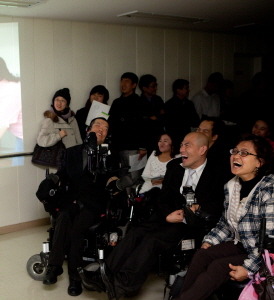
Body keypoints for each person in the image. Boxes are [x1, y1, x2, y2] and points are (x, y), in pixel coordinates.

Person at [80, 132, 226, 299]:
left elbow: (219, 204)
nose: (182, 149)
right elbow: (162, 198)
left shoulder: (217, 172)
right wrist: (167, 215)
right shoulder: (174, 166)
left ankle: (121, 284)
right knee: (135, 232)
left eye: (187, 145)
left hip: (192, 224)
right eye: (182, 145)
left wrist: (199, 209)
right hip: (168, 216)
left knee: (152, 240)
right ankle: (103, 274)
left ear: (202, 150)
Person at [175, 134, 274, 300]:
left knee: (217, 267)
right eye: (235, 151)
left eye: (244, 153)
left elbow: (270, 243)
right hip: (242, 243)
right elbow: (226, 223)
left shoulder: (269, 191)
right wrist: (210, 240)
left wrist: (250, 268)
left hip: (263, 254)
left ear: (260, 162)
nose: (236, 156)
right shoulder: (232, 186)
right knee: (202, 255)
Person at [42, 118, 131, 297]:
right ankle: (54, 266)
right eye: (98, 125)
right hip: (72, 200)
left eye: (105, 128)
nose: (101, 130)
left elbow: (114, 180)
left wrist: (116, 181)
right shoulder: (72, 152)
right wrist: (54, 180)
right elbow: (63, 174)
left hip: (94, 203)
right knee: (63, 217)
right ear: (88, 129)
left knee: (76, 231)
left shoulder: (110, 156)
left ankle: (75, 278)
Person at [108, 72, 146, 186]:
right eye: (122, 81)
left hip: (133, 146)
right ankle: (123, 200)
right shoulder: (116, 102)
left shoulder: (139, 102)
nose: (123, 84)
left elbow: (143, 126)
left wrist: (143, 146)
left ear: (134, 85)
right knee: (121, 174)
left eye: (127, 82)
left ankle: (134, 201)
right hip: (117, 146)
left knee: (134, 177)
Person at [164, 79, 200, 147]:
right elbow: (168, 124)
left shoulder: (189, 104)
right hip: (174, 139)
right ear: (178, 90)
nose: (188, 90)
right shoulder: (169, 105)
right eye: (186, 88)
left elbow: (196, 121)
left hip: (187, 138)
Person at [139, 74, 165, 156]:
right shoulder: (139, 101)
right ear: (144, 88)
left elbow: (164, 116)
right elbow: (141, 120)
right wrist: (150, 118)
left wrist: (155, 117)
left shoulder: (158, 99)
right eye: (153, 86)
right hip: (145, 139)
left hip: (159, 136)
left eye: (156, 85)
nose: (155, 88)